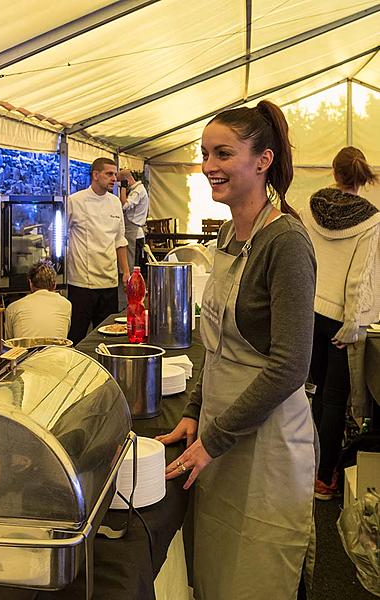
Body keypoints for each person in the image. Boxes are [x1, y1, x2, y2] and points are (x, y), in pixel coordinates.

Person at [156, 100, 316, 599]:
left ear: (263, 160)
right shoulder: (227, 232)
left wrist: (216, 436)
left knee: (255, 571)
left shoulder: (285, 241)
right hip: (218, 433)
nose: (208, 167)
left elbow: (290, 366)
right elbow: (218, 342)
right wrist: (196, 413)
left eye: (223, 153)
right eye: (204, 153)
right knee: (215, 567)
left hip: (264, 440)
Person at [302, 146, 379, 500]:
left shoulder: (310, 206)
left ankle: (308, 469)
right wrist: (352, 325)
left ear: (334, 172)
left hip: (310, 311)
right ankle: (323, 478)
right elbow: (360, 279)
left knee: (316, 393)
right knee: (335, 398)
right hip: (339, 319)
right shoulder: (372, 219)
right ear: (361, 177)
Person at [66, 157, 130, 342]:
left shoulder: (115, 202)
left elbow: (120, 240)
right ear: (95, 175)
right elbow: (61, 234)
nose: (114, 178)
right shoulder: (75, 201)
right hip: (81, 285)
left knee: (108, 338)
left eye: (115, 174)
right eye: (109, 174)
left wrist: (125, 272)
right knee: (77, 337)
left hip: (109, 283)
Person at [4, 260, 71, 339]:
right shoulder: (66, 305)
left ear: (30, 283)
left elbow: (9, 343)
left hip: (25, 351)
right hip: (57, 351)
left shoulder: (13, 308)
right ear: (55, 285)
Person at [117, 168, 149, 309]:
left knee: (130, 268)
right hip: (135, 232)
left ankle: (130, 300)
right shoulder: (140, 189)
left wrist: (123, 189)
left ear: (126, 180)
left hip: (133, 233)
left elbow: (124, 205)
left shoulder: (137, 191)